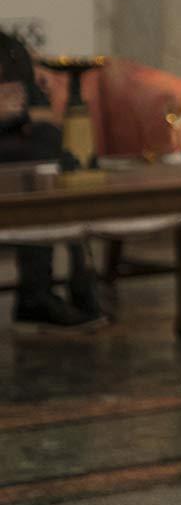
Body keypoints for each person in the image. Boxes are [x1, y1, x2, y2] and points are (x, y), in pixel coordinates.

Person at [0, 31, 106, 332]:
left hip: (21, 149)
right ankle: (40, 294)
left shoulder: (9, 47)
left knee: (57, 152)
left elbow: (39, 112)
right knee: (44, 161)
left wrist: (21, 114)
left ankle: (75, 280)